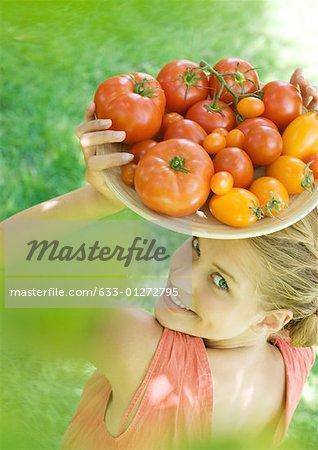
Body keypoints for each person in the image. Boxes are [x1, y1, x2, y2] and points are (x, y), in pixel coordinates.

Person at [1, 69, 317, 450]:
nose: (182, 276)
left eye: (220, 281)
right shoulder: (296, 350)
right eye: (198, 246)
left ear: (272, 317)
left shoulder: (139, 351)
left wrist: (98, 198)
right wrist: (299, 138)